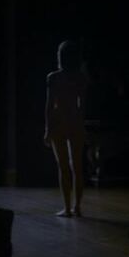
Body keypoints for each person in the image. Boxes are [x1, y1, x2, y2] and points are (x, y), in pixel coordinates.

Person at [44, 40, 88, 217]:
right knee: (77, 167)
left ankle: (67, 208)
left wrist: (47, 129)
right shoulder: (81, 78)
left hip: (58, 123)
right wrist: (81, 124)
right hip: (75, 122)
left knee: (63, 167)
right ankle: (78, 207)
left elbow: (49, 106)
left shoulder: (53, 77)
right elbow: (82, 106)